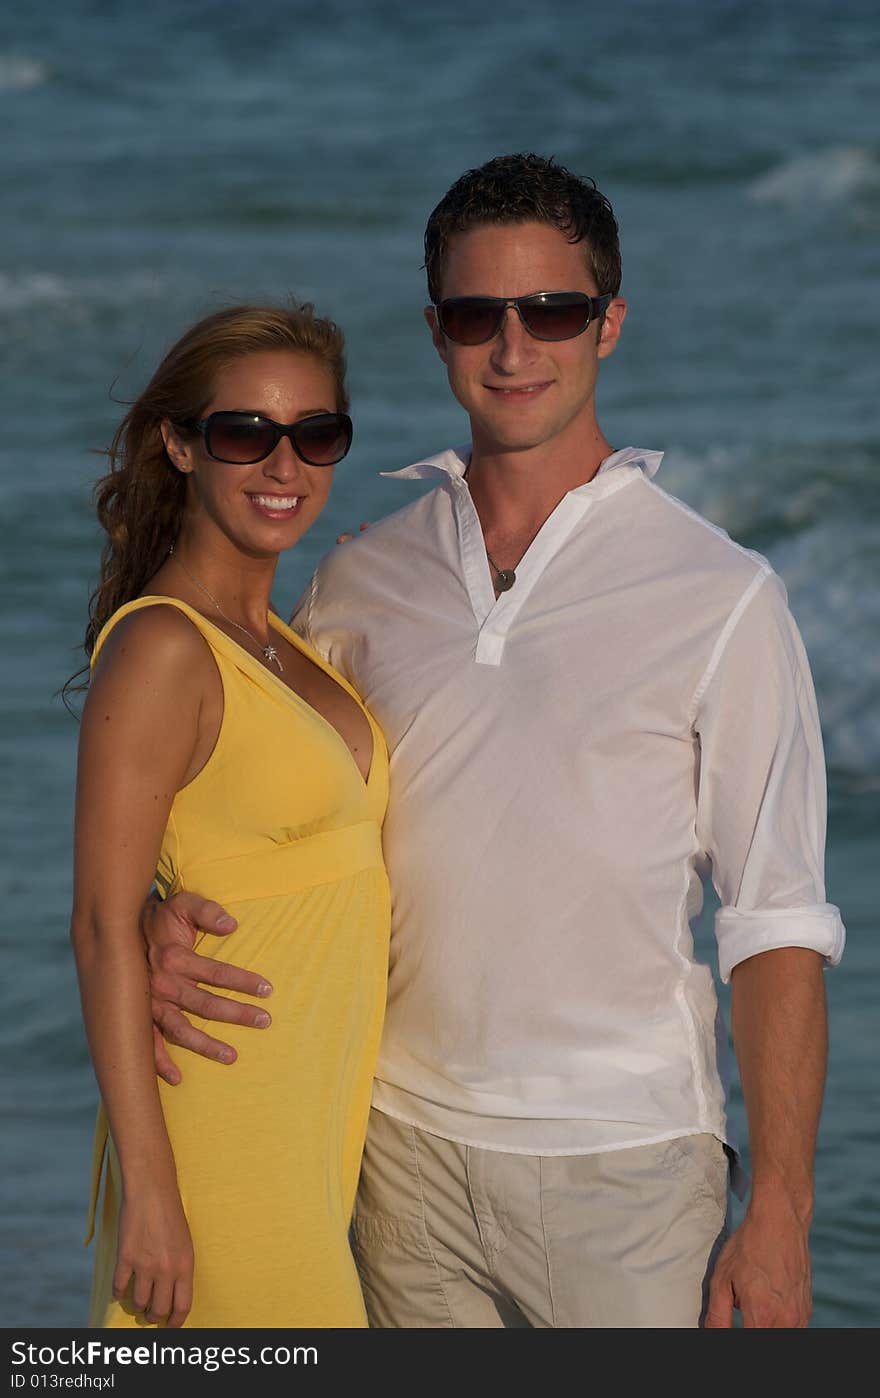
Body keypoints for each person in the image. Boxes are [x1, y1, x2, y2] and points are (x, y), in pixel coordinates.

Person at [142, 155, 845, 1328]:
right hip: (394, 1156)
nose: (514, 348)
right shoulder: (361, 577)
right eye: (478, 314)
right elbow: (271, 792)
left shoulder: (721, 596)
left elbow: (775, 925)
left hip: (627, 1171)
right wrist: (167, 912)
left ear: (607, 324)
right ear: (436, 331)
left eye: (552, 311)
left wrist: (779, 1212)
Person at [69, 303, 390, 1328]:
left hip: (311, 1140)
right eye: (245, 432)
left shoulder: (285, 643)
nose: (281, 463)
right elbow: (99, 924)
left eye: (314, 433)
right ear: (180, 444)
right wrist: (154, 1204)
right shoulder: (163, 647)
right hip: (220, 1143)